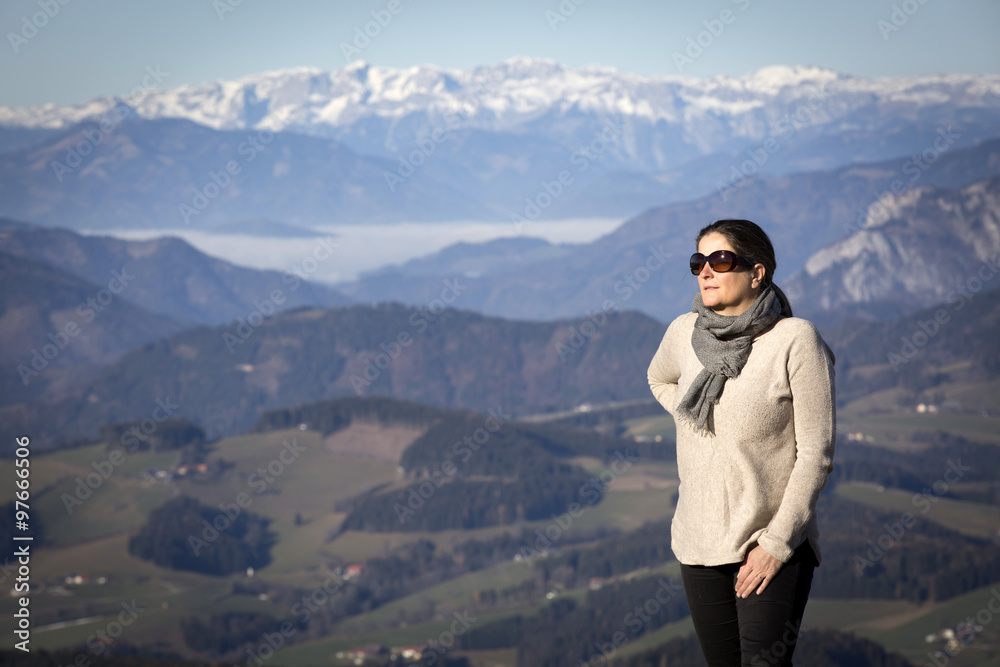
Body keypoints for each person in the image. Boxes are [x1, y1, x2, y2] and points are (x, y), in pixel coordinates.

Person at [646, 219, 836, 666]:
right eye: (698, 262)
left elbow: (816, 455)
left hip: (768, 543)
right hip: (698, 542)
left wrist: (777, 544)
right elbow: (658, 378)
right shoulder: (683, 332)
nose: (705, 271)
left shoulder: (794, 339)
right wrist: (695, 414)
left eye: (720, 259)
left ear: (757, 272)